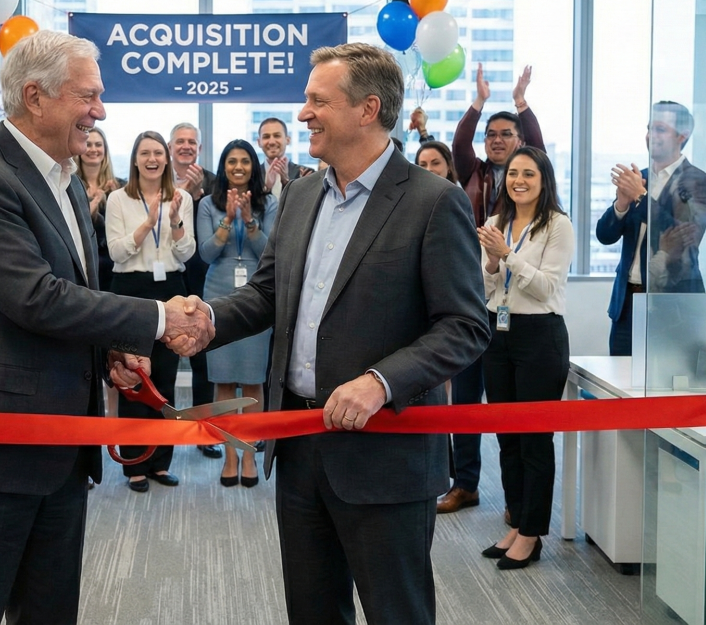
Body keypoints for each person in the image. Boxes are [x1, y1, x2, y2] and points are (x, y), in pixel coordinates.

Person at [0, 30, 212, 625]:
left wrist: (109, 351)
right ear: (35, 96)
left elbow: (80, 286)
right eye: (89, 96)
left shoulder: (66, 178)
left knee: (50, 611)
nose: (100, 112)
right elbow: (36, 298)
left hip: (59, 444)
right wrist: (158, 319)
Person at [204, 43, 490, 625]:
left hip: (386, 453)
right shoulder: (303, 194)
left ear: (367, 109)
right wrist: (204, 322)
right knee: (312, 611)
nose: (303, 114)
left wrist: (381, 382)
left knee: (397, 611)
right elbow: (266, 293)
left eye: (317, 101)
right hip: (299, 444)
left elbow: (464, 326)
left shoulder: (435, 202)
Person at [439, 61, 542, 515]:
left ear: (520, 143)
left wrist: (521, 101)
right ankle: (465, 484)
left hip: (514, 302)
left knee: (505, 403)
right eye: (492, 134)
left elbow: (538, 148)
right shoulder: (472, 172)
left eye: (507, 134)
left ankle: (514, 497)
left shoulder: (528, 183)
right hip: (471, 296)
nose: (497, 140)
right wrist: (477, 102)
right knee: (465, 399)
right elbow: (458, 142)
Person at [478, 146, 574, 570]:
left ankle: (532, 534)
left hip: (540, 335)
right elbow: (486, 286)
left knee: (535, 441)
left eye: (528, 174)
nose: (518, 180)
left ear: (543, 180)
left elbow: (547, 289)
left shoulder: (557, 225)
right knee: (507, 437)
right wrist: (494, 262)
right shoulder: (496, 223)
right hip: (498, 334)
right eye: (513, 173)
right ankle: (516, 522)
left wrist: (508, 255)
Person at [106, 131, 196, 491]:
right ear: (135, 159)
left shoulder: (183, 197)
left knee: (165, 380)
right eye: (145, 153)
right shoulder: (118, 199)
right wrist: (148, 223)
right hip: (132, 291)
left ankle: (160, 463)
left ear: (167, 157)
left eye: (158, 152)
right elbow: (116, 253)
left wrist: (173, 221)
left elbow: (186, 253)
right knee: (133, 380)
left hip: (172, 291)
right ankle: (135, 466)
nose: (152, 159)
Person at [597, 101, 706, 355]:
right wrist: (622, 204)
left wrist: (641, 196)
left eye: (660, 129)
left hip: (673, 307)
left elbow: (681, 237)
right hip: (627, 305)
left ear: (682, 135)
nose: (651, 136)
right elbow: (604, 236)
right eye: (649, 128)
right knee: (622, 387)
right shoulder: (641, 177)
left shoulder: (699, 181)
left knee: (668, 388)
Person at [197, 139, 277, 488]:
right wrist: (228, 220)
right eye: (232, 161)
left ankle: (249, 456)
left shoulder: (269, 203)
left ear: (254, 167)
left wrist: (251, 221)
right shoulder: (207, 204)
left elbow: (269, 253)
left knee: (254, 380)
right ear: (224, 166)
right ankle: (229, 457)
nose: (239, 167)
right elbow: (206, 253)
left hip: (258, 297)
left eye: (245, 161)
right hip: (218, 295)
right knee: (224, 381)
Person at [169, 122, 221, 457]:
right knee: (163, 363)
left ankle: (203, 432)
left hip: (201, 277)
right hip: (167, 279)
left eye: (192, 142)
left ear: (199, 148)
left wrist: (198, 194)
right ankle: (165, 438)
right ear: (171, 148)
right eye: (180, 142)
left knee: (203, 360)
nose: (186, 147)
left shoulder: (213, 181)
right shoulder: (154, 179)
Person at [75, 126, 123, 292]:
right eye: (88, 144)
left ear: (105, 150)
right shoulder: (70, 186)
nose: (93, 149)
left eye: (98, 145)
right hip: (84, 262)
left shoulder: (120, 187)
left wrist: (115, 198)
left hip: (114, 264)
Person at [258, 116, 314, 195]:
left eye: (277, 135)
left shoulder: (306, 174)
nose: (271, 142)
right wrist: (266, 188)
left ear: (288, 140)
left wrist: (287, 184)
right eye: (266, 137)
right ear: (259, 142)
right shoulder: (252, 175)